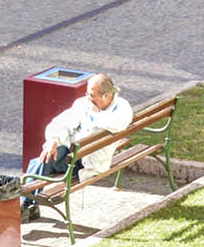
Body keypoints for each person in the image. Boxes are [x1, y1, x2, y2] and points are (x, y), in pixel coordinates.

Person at [20, 73, 132, 222]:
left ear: (106, 95)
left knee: (40, 164)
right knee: (43, 159)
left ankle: (26, 205)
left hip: (86, 163)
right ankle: (27, 204)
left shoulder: (121, 108)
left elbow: (112, 123)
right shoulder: (84, 104)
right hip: (71, 153)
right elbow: (62, 122)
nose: (88, 98)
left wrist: (93, 113)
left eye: (92, 95)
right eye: (87, 93)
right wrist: (53, 140)